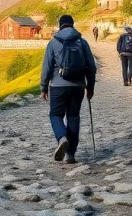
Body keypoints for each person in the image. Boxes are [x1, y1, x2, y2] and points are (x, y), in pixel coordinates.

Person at [40, 15, 96, 164]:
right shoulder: (82, 42)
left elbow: (47, 67)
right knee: (73, 118)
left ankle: (62, 137)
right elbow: (91, 66)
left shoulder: (53, 43)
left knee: (55, 115)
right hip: (78, 86)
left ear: (60, 26)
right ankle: (70, 155)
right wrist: (90, 87)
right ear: (72, 25)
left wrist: (43, 87)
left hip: (58, 86)